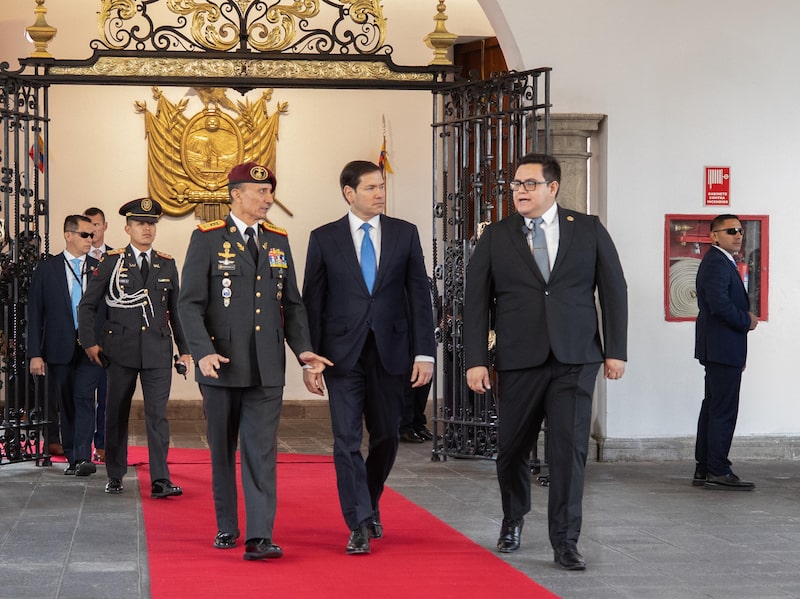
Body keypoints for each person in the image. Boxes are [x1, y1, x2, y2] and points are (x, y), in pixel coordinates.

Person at [463, 153, 628, 571]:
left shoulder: (587, 229)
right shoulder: (497, 235)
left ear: (552, 187)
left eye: (529, 184)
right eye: (516, 184)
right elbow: (476, 301)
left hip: (576, 357)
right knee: (512, 448)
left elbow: (614, 290)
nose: (520, 191)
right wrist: (476, 360)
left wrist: (616, 350)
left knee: (568, 451)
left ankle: (565, 541)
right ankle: (513, 517)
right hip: (519, 358)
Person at [178, 162, 331, 561]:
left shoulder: (278, 240)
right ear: (236, 195)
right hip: (221, 364)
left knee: (261, 451)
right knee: (222, 449)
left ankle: (260, 535)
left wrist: (303, 352)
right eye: (260, 192)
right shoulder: (208, 238)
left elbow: (292, 305)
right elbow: (189, 303)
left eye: (269, 192)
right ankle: (227, 524)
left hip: (267, 366)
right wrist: (202, 351)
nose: (268, 199)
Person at [302, 160, 435, 555]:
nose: (380, 193)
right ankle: (359, 522)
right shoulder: (324, 238)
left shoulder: (404, 233)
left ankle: (369, 498)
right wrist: (311, 360)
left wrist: (424, 353)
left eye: (382, 186)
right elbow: (313, 302)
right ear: (349, 193)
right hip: (340, 356)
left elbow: (419, 296)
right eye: (371, 187)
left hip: (391, 352)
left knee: (387, 436)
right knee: (345, 439)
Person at [78, 198, 190, 498]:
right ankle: (115, 474)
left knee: (158, 416)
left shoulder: (166, 263)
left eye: (151, 224)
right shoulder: (112, 261)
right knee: (116, 413)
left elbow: (176, 312)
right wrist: (89, 343)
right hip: (120, 351)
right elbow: (87, 305)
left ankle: (160, 480)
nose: (147, 229)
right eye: (141, 223)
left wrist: (185, 349)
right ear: (128, 228)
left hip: (157, 351)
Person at [27, 215, 103, 477]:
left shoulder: (99, 267)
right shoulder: (47, 269)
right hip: (59, 347)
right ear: (68, 235)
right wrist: (35, 353)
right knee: (67, 403)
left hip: (91, 348)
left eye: (92, 234)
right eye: (85, 234)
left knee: (85, 398)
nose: (91, 239)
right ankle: (73, 456)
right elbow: (35, 314)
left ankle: (82, 457)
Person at [693, 214, 758, 491]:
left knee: (713, 407)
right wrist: (746, 320)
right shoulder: (717, 263)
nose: (738, 235)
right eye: (730, 231)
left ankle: (705, 467)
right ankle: (718, 469)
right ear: (714, 236)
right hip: (722, 347)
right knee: (723, 410)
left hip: (721, 348)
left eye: (740, 230)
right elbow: (719, 304)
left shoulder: (721, 261)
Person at [83, 207, 112, 462]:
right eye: (88, 224)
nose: (93, 229)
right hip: (82, 340)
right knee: (81, 397)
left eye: (97, 224)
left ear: (105, 226)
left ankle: (102, 445)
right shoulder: (77, 258)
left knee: (107, 397)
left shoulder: (116, 257)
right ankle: (79, 445)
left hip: (108, 340)